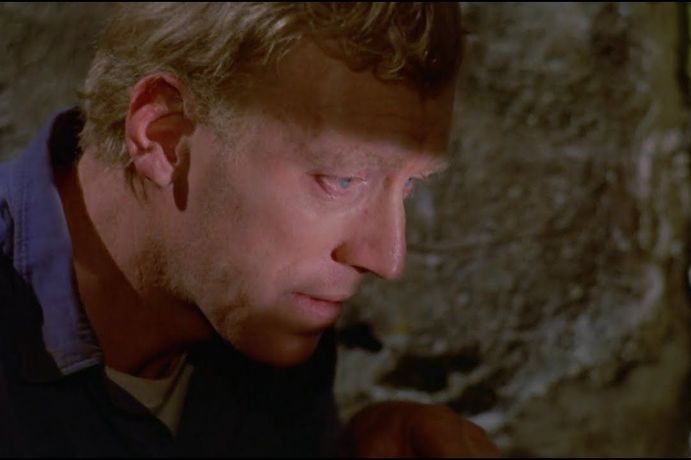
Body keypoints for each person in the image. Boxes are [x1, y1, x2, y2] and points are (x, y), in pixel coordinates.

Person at [0, 2, 499, 457]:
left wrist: (350, 448)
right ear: (164, 137)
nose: (387, 258)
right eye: (341, 179)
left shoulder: (261, 307)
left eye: (409, 185)